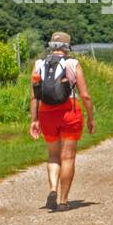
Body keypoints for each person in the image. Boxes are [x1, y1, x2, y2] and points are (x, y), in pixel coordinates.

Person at [29, 32, 94, 211]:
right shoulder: (73, 64)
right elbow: (85, 96)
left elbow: (34, 96)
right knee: (68, 157)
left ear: (51, 45)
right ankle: (64, 201)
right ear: (67, 47)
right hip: (70, 113)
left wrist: (34, 120)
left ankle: (52, 189)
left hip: (46, 114)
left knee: (53, 155)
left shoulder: (39, 64)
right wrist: (90, 117)